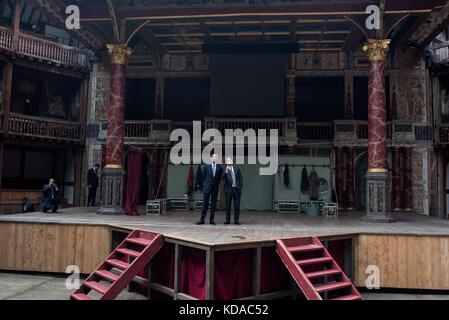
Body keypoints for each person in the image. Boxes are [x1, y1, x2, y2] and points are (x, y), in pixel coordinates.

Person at [197, 154, 223, 225]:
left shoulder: (220, 168)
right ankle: (202, 219)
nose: (214, 158)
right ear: (211, 159)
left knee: (213, 204)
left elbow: (219, 178)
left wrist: (216, 183)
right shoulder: (206, 167)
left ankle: (212, 220)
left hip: (215, 188)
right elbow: (203, 177)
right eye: (213, 157)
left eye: (216, 157)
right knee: (205, 203)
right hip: (207, 187)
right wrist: (205, 185)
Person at [223, 158, 243, 225]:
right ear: (226, 163)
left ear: (232, 162)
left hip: (236, 190)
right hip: (228, 190)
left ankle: (236, 220)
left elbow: (240, 179)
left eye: (230, 161)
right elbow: (222, 178)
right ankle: (227, 220)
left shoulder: (237, 169)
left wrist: (240, 187)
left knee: (237, 206)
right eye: (227, 161)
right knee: (228, 206)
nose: (229, 162)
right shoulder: (225, 170)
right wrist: (226, 171)